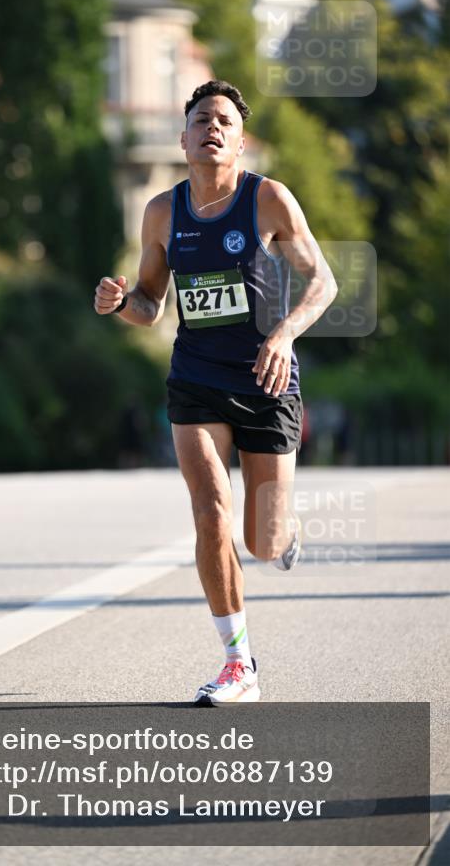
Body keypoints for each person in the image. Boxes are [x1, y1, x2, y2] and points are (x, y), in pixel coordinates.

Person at [94, 81, 337, 704]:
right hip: (196, 380)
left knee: (264, 541)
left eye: (225, 121)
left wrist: (284, 334)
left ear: (240, 141)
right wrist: (120, 304)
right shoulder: (162, 212)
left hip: (266, 381)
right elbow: (150, 305)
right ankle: (238, 663)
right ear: (184, 139)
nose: (213, 128)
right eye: (202, 119)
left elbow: (323, 283)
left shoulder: (268, 200)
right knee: (209, 512)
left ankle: (285, 531)